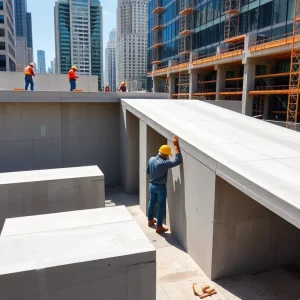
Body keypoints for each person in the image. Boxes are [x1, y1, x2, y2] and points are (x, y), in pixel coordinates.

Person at [146, 136, 182, 233]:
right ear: (165, 155)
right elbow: (178, 161)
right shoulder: (164, 163)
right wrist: (175, 146)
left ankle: (150, 220)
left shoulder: (151, 159)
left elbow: (148, 171)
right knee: (161, 206)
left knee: (151, 203)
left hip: (151, 185)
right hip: (160, 187)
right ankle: (159, 226)